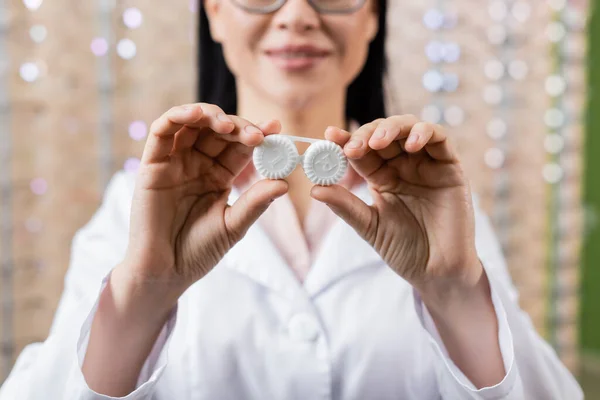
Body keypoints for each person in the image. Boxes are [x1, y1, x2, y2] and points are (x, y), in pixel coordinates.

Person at [0, 0, 584, 398]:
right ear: (215, 14)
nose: (299, 14)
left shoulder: (440, 202)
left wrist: (456, 296)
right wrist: (142, 299)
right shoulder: (132, 206)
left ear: (373, 18)